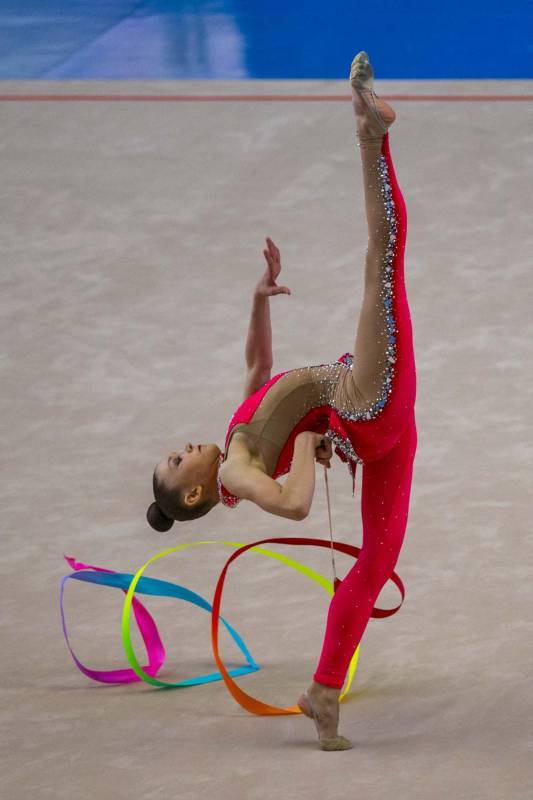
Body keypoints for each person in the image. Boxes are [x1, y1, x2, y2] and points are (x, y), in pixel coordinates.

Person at [147, 51, 417, 751]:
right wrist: (311, 436)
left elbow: (259, 366)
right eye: (179, 462)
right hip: (360, 401)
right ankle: (370, 132)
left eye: (173, 451)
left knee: (374, 565)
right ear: (202, 489)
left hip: (382, 434)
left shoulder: (236, 436)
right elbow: (295, 504)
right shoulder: (238, 470)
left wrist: (257, 298)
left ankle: (323, 695)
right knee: (379, 263)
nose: (182, 446)